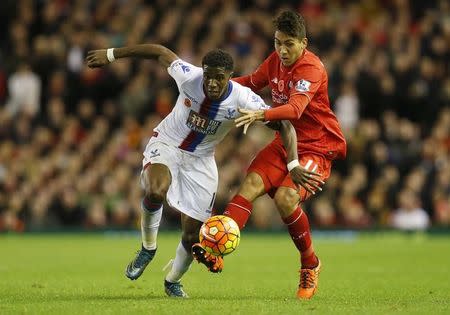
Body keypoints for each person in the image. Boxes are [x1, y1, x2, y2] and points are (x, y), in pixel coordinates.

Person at [86, 45, 316, 298]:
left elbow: (285, 125)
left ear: (230, 76)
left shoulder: (243, 99)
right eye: (209, 76)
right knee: (155, 190)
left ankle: (172, 281)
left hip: (201, 162)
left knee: (192, 236)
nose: (213, 83)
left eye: (220, 77)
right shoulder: (189, 76)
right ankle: (148, 248)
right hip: (168, 144)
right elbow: (159, 52)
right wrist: (111, 54)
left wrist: (293, 164)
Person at [193, 10, 346, 299]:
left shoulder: (311, 68)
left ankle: (310, 264)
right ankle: (217, 249)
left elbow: (296, 108)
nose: (282, 50)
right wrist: (216, 85)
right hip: (284, 141)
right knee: (249, 186)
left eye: (289, 44)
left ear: (304, 42)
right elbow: (251, 81)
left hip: (317, 144)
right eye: (277, 43)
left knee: (286, 198)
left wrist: (261, 114)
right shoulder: (275, 60)